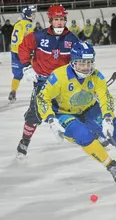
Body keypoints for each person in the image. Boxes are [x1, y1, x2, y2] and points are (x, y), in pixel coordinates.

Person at [36, 42, 116, 181]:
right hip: (63, 112)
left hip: (90, 108)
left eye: (89, 63)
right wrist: (51, 119)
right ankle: (110, 165)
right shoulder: (59, 76)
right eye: (81, 63)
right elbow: (43, 97)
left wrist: (108, 118)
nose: (86, 68)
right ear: (73, 62)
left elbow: (105, 97)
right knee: (82, 135)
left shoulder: (97, 76)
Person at [15, 4, 80, 157]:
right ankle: (25, 141)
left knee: (79, 108)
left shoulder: (72, 39)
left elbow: (80, 60)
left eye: (62, 19)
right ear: (50, 20)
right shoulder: (38, 36)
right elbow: (23, 47)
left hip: (64, 84)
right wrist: (26, 67)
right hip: (43, 83)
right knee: (35, 114)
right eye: (56, 19)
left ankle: (94, 135)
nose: (59, 22)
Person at [8, 6, 36, 102]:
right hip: (23, 51)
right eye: (31, 13)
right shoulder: (28, 24)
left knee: (17, 75)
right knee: (35, 71)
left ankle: (13, 91)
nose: (33, 15)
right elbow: (29, 38)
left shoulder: (18, 23)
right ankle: (38, 92)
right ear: (27, 15)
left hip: (14, 51)